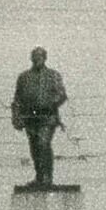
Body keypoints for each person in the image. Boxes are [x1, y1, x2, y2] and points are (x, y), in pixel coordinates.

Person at [11, 46, 67, 187]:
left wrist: (48, 103)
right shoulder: (24, 77)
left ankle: (47, 177)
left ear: (45, 58)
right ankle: (39, 177)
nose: (37, 59)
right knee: (34, 147)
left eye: (40, 56)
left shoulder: (53, 75)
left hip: (47, 117)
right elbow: (17, 99)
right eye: (35, 57)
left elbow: (62, 95)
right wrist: (16, 116)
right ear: (31, 58)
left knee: (43, 144)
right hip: (30, 118)